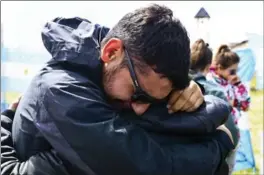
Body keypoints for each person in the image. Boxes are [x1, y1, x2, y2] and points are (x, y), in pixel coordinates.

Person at [2, 4, 234, 175]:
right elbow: (147, 166)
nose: (141, 109)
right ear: (111, 52)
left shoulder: (126, 72)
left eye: (152, 101)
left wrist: (196, 90)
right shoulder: (61, 90)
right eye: (139, 94)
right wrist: (221, 142)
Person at [189, 39, 239, 174]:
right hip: (207, 157)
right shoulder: (214, 91)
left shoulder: (172, 85)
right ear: (208, 66)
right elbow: (232, 132)